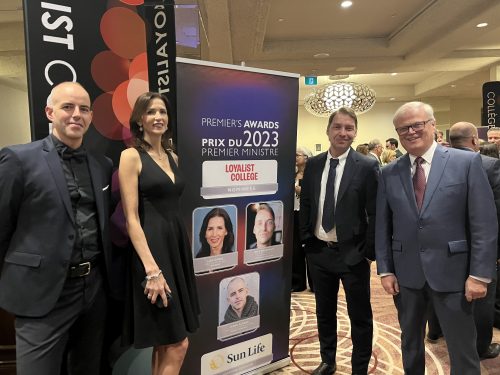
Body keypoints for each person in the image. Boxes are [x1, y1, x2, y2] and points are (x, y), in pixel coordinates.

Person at [0, 82, 117, 375]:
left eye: (84, 109)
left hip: (94, 290)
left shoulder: (103, 165)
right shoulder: (17, 159)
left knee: (88, 369)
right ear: (50, 112)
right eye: (68, 107)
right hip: (41, 292)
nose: (77, 114)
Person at [375, 102, 497, 375]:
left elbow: (484, 224)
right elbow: (383, 226)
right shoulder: (388, 172)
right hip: (406, 276)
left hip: (455, 274)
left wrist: (479, 274)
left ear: (432, 125)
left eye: (417, 124)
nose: (411, 131)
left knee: (462, 349)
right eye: (403, 128)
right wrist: (385, 269)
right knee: (410, 345)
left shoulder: (466, 162)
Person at [119, 92, 200, 375]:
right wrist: (152, 270)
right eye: (151, 112)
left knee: (165, 343)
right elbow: (131, 218)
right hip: (152, 253)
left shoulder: (172, 156)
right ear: (139, 119)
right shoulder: (130, 156)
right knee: (178, 344)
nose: (158, 117)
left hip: (175, 247)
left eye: (162, 112)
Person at [300, 107, 378, 375]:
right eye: (338, 127)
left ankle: (359, 368)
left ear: (355, 132)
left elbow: (374, 212)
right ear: (328, 130)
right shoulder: (314, 164)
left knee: (359, 316)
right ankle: (328, 360)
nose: (343, 133)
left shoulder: (367, 166)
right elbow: (308, 203)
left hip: (353, 254)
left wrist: (368, 253)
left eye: (349, 128)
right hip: (319, 252)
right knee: (324, 312)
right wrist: (306, 240)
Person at [424, 122, 500, 359]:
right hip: (478, 245)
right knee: (482, 297)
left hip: (443, 244)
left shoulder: (435, 164)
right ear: (475, 141)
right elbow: (495, 212)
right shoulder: (490, 164)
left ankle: (434, 331)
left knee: (439, 287)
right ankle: (481, 346)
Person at [292, 147, 314, 292]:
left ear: (306, 157)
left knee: (310, 249)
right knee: (295, 249)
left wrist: (302, 191)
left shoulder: (313, 175)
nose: (295, 157)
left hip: (308, 215)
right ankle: (297, 283)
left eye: (297, 155)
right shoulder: (292, 174)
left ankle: (314, 283)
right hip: (293, 214)